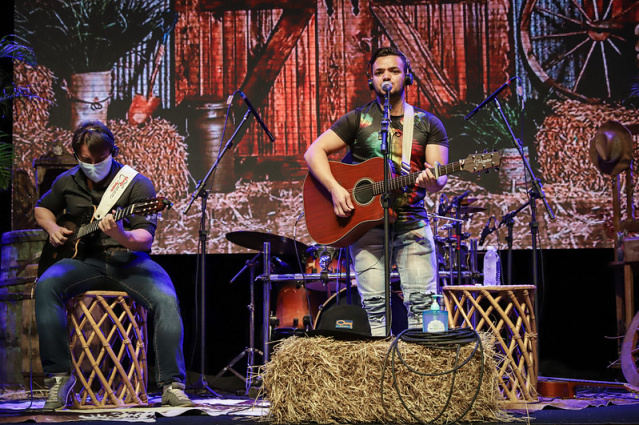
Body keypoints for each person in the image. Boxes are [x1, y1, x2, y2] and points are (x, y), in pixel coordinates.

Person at [34, 121, 194, 409]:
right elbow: (41, 207)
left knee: (166, 298)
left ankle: (172, 385)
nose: (93, 165)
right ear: (76, 155)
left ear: (113, 152)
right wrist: (52, 228)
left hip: (129, 262)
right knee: (46, 284)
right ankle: (59, 378)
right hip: (83, 262)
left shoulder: (136, 183)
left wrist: (121, 234)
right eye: (86, 160)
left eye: (100, 159)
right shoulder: (67, 181)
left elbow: (144, 238)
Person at [304, 46, 449, 336]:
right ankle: (380, 366)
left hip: (412, 221)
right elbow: (313, 152)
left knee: (422, 302)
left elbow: (438, 177)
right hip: (366, 223)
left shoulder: (428, 123)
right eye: (379, 72)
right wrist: (334, 189)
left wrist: (431, 180)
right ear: (370, 81)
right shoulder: (358, 120)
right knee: (373, 305)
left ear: (407, 78)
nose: (387, 76)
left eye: (394, 71)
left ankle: (420, 370)